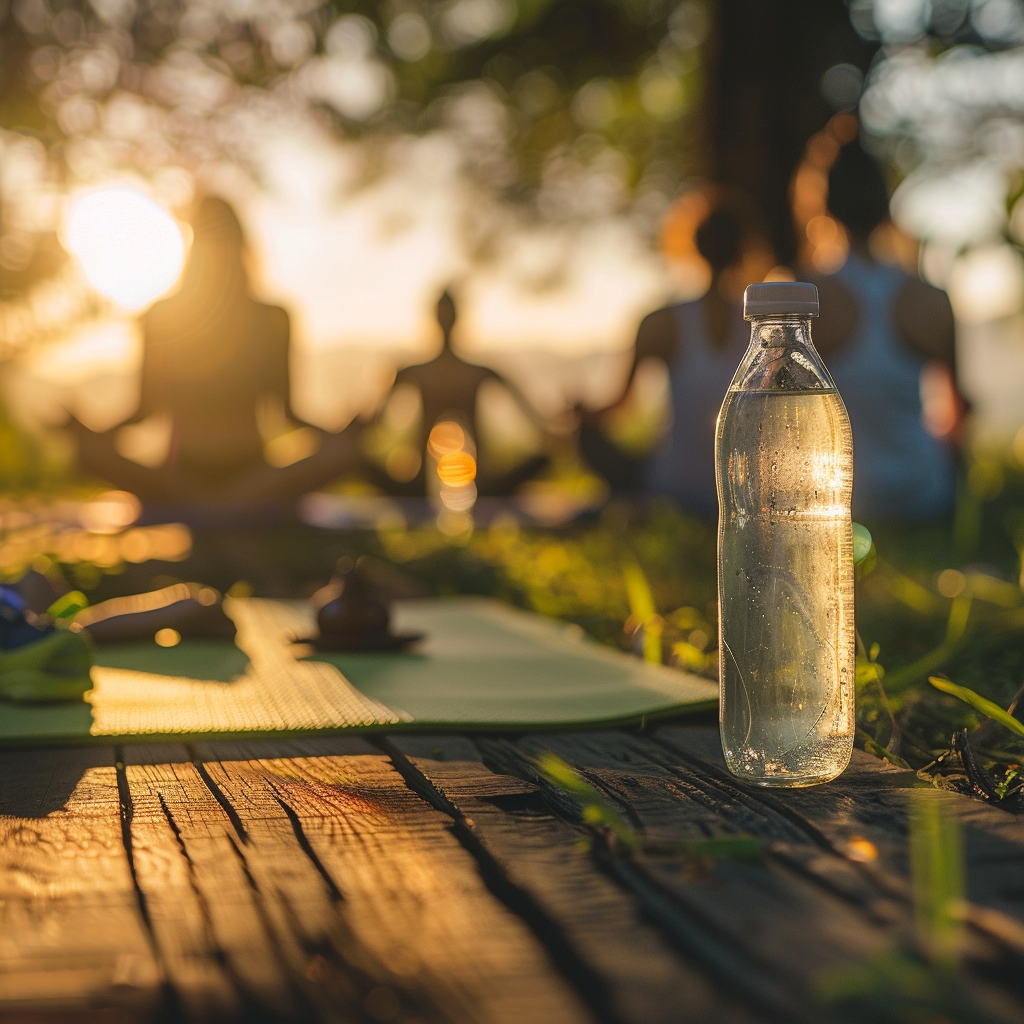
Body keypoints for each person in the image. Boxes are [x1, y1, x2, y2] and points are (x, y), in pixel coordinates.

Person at [72, 197, 361, 511]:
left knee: (345, 453)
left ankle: (209, 503)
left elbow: (287, 412)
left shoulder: (273, 317)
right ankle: (230, 503)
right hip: (184, 474)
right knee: (92, 454)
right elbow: (144, 411)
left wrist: (340, 436)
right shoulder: (163, 317)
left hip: (254, 474)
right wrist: (89, 434)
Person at [580, 197, 770, 515]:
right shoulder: (768, 325)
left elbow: (618, 406)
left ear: (693, 246)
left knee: (589, 439)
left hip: (673, 486)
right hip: (746, 491)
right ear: (744, 249)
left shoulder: (660, 322)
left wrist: (582, 415)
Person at [811, 143, 962, 520]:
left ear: (824, 205)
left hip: (838, 498)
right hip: (922, 492)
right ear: (885, 206)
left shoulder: (803, 295)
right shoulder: (931, 298)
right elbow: (958, 412)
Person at [378, 290, 548, 496]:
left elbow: (531, 413)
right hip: (418, 482)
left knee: (544, 459)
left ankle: (483, 480)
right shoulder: (415, 373)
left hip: (483, 480)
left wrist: (552, 432)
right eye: (443, 313)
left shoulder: (476, 373)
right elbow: (374, 421)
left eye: (449, 313)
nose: (446, 319)